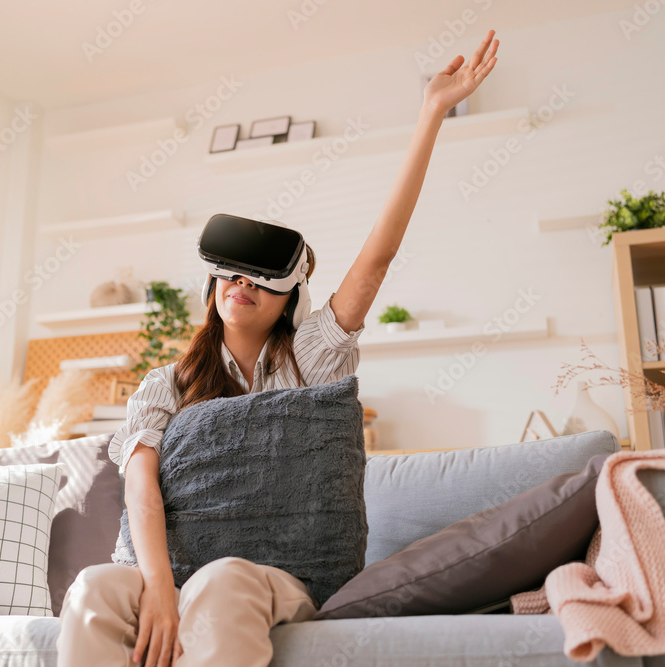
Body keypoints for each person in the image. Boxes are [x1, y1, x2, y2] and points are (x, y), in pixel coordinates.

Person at [56, 29, 499, 667]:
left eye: (262, 278)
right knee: (95, 587)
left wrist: (431, 113)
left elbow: (378, 256)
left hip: (277, 576)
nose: (243, 285)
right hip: (172, 566)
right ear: (212, 286)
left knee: (224, 579)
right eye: (230, 274)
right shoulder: (166, 385)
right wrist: (156, 586)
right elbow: (141, 489)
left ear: (289, 297)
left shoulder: (314, 358)